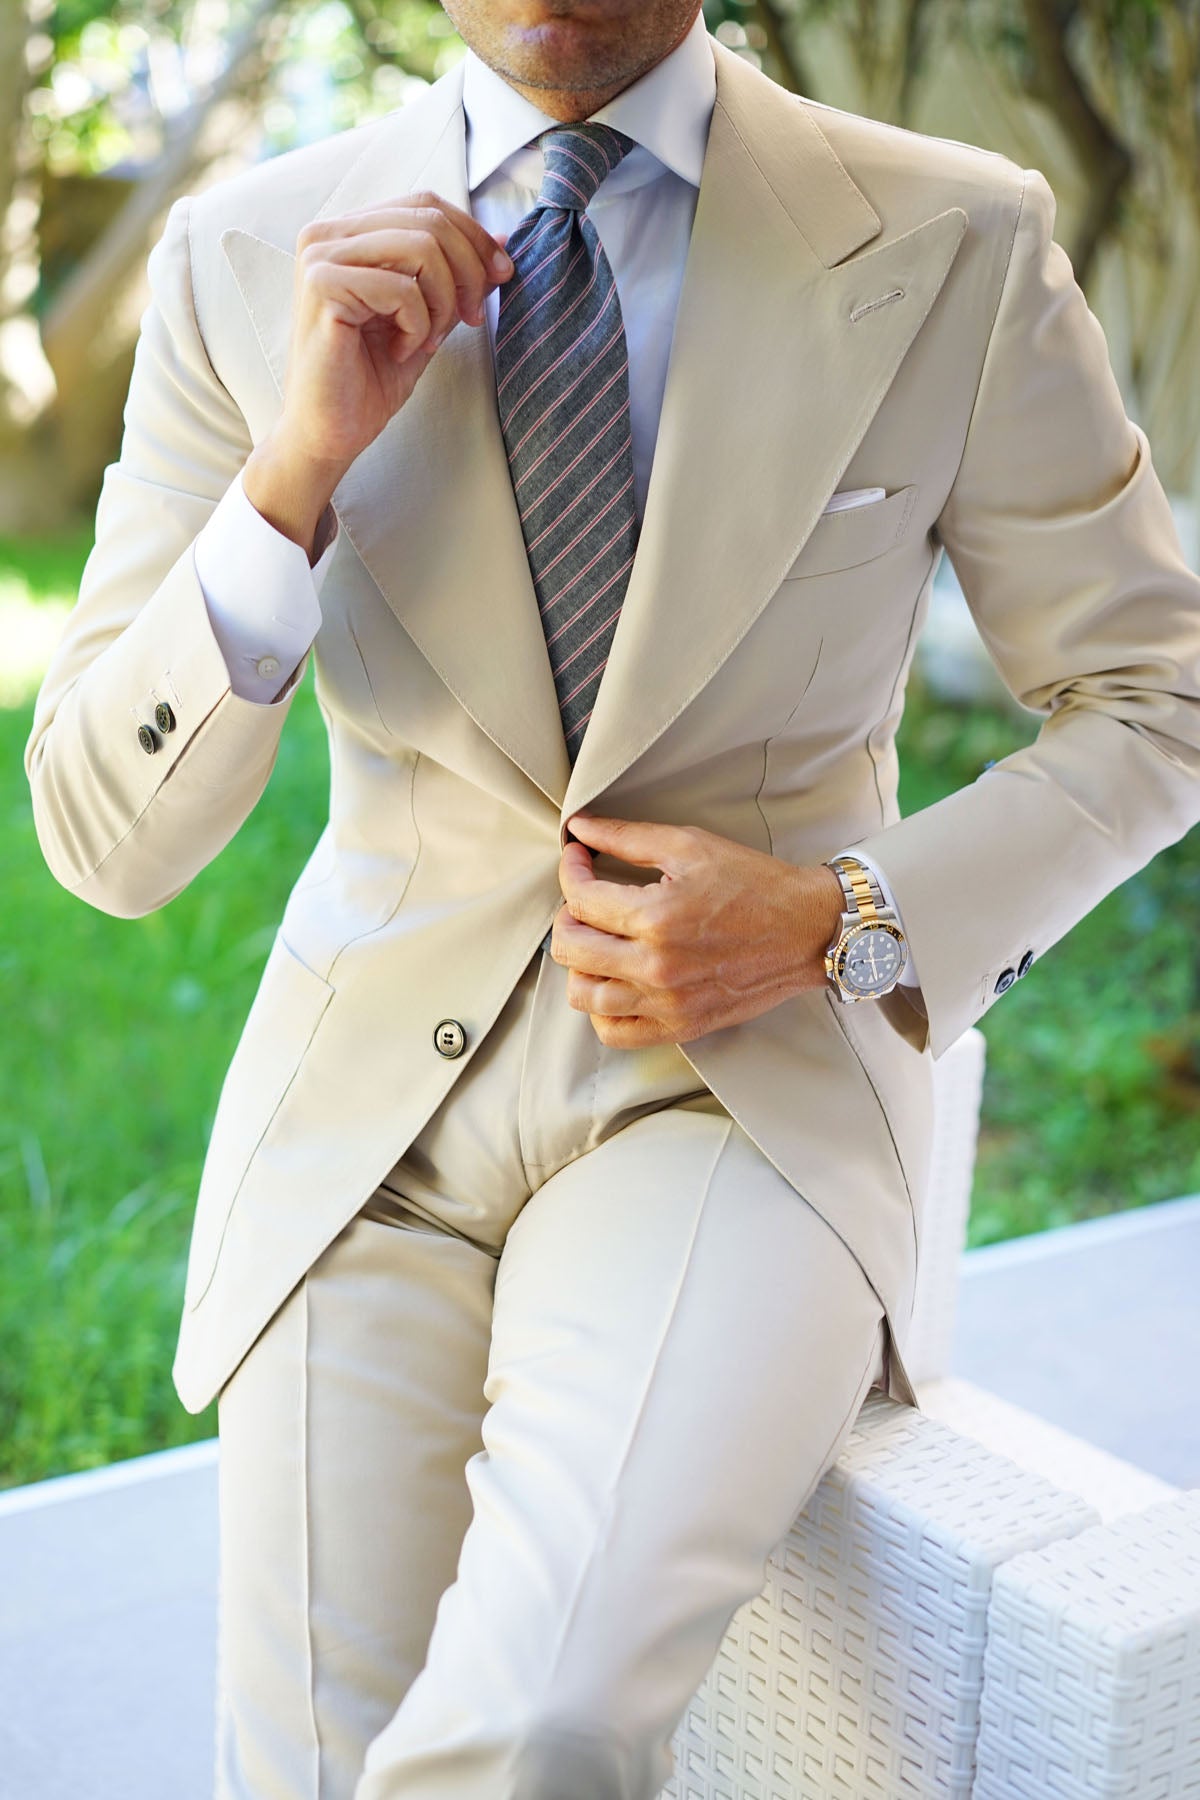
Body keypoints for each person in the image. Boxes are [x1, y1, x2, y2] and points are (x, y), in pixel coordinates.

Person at [24, 1, 1200, 1794]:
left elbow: (1156, 696)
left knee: (540, 1729)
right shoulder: (240, 253)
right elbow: (108, 845)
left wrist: (835, 916)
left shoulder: (954, 232)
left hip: (737, 1090)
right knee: (311, 1763)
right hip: (370, 1125)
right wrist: (291, 480)